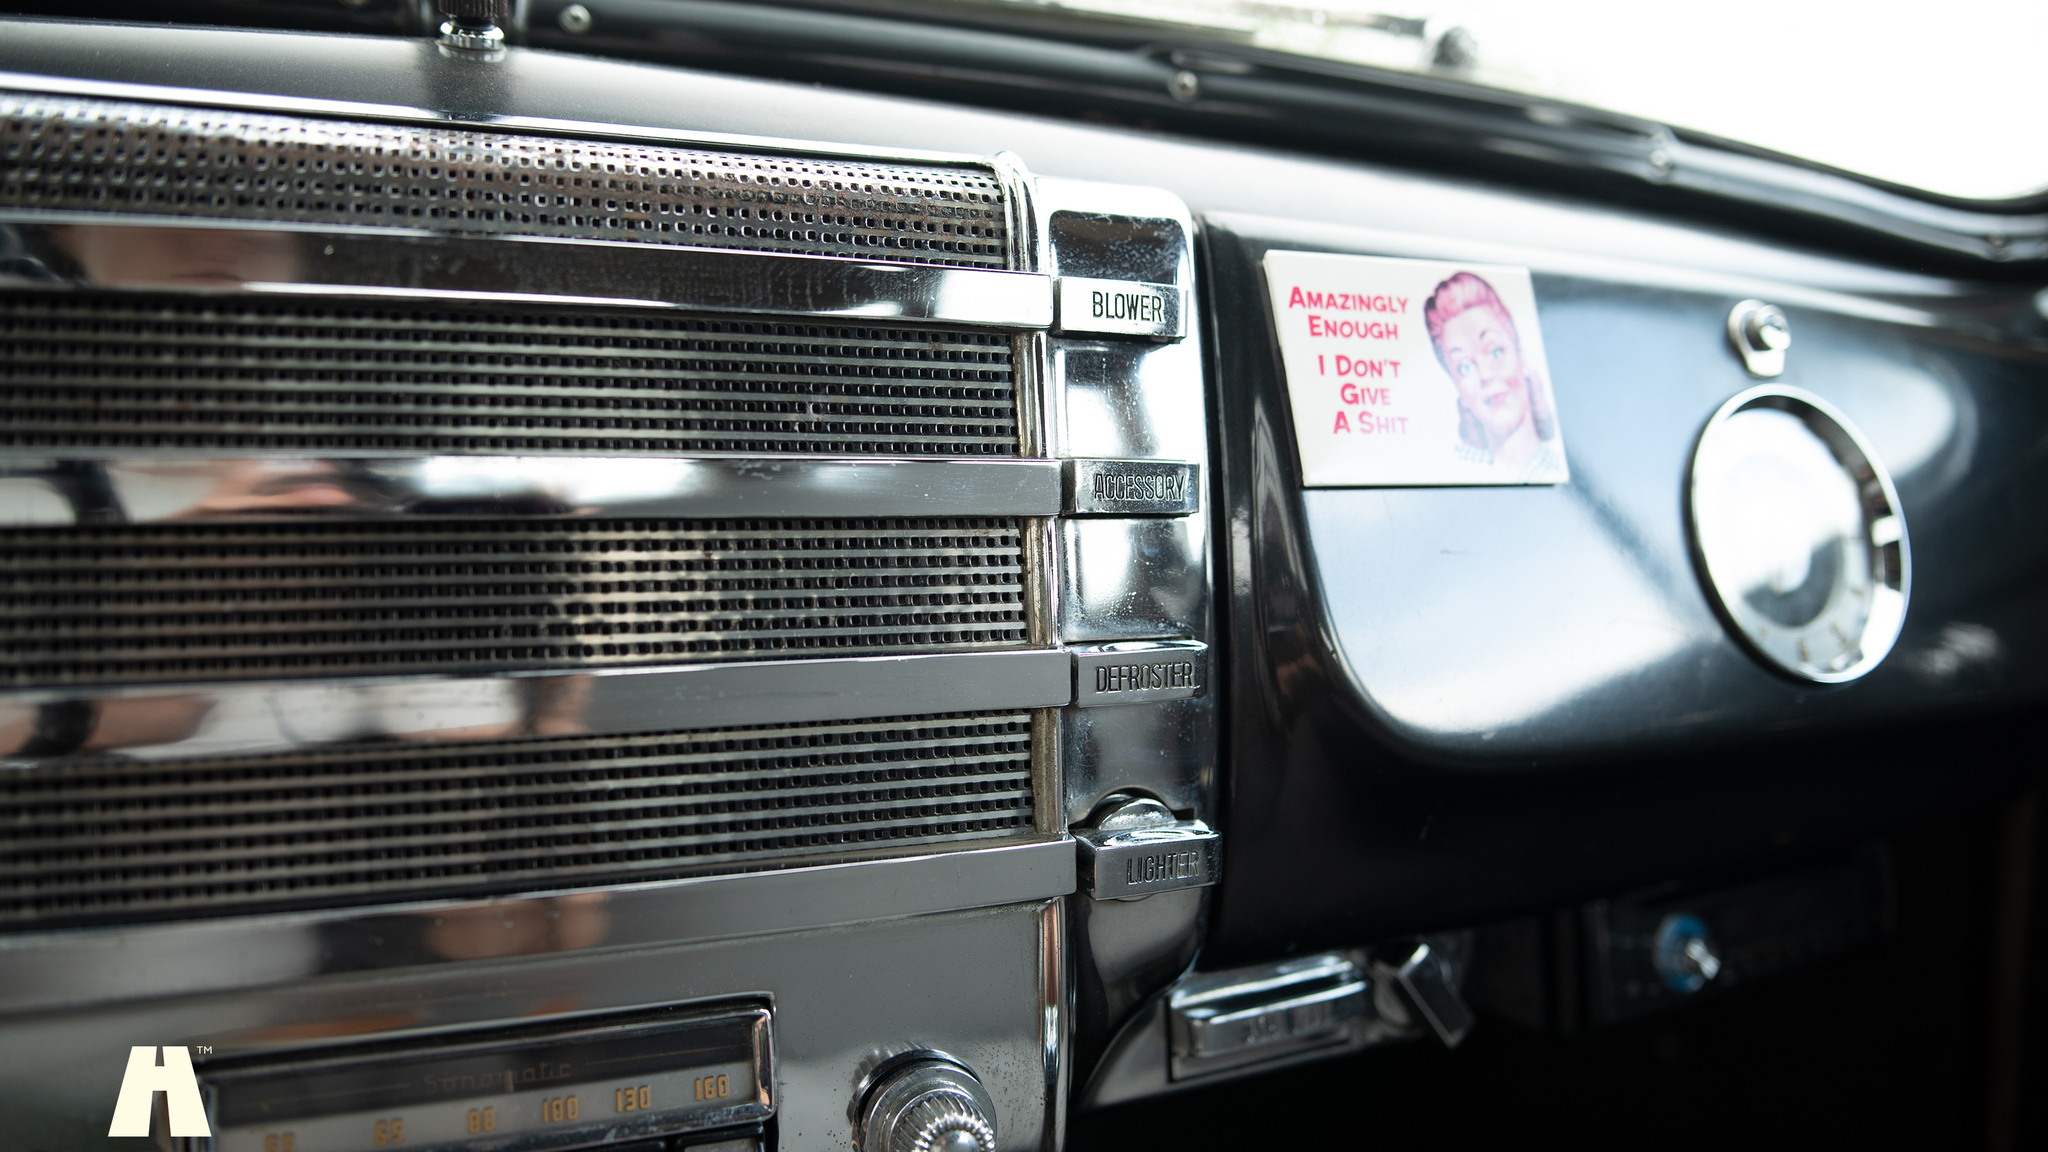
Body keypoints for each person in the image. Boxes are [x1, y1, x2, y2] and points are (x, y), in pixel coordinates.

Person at [1423, 271, 1561, 480]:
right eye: (1464, 367)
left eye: (1495, 352)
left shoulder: (1556, 472)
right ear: (1457, 387)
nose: (1485, 375)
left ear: (1521, 357)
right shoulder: (1448, 473)